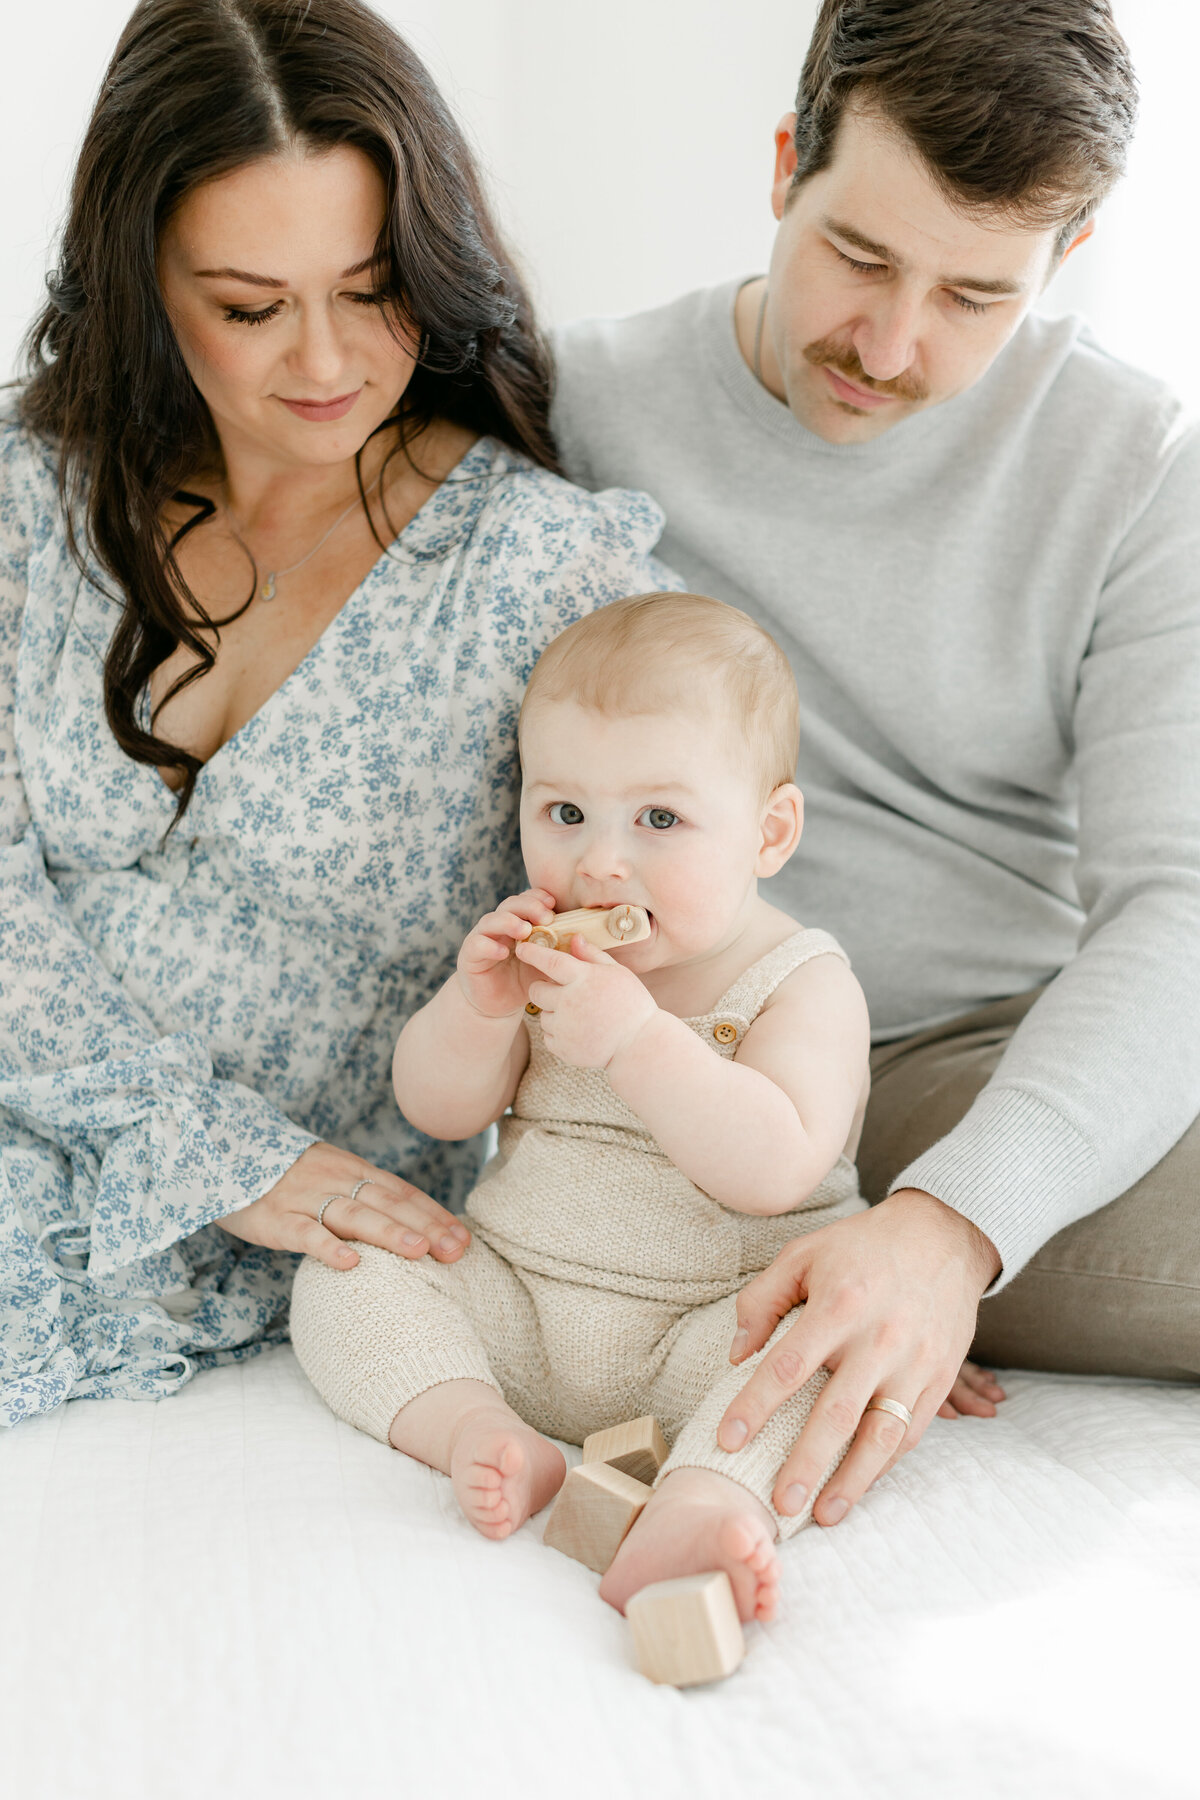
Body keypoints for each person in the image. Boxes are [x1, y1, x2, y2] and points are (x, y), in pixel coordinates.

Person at [551, 0, 1200, 1533]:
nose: (892, 347)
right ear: (785, 165)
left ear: (1074, 249)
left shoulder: (1137, 460)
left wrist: (954, 1233)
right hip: (784, 1067)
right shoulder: (574, 411)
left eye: (976, 294)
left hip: (1023, 1054)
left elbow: (1177, 904)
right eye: (858, 256)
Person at [0, 0, 672, 1427]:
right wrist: (211, 1149)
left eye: (371, 288)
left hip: (287, 1246)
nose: (325, 363)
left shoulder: (544, 575)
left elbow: (680, 926)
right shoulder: (33, 493)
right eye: (248, 307)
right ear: (140, 285)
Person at [291, 593, 998, 1622]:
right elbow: (436, 1111)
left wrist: (635, 1042)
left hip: (710, 1333)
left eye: (659, 819)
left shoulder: (800, 980)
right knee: (347, 1271)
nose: (601, 863)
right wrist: (476, 1008)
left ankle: (708, 1497)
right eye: (564, 813)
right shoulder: (548, 957)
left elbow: (774, 1166)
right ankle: (475, 1429)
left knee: (818, 1362)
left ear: (769, 832)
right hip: (522, 1310)